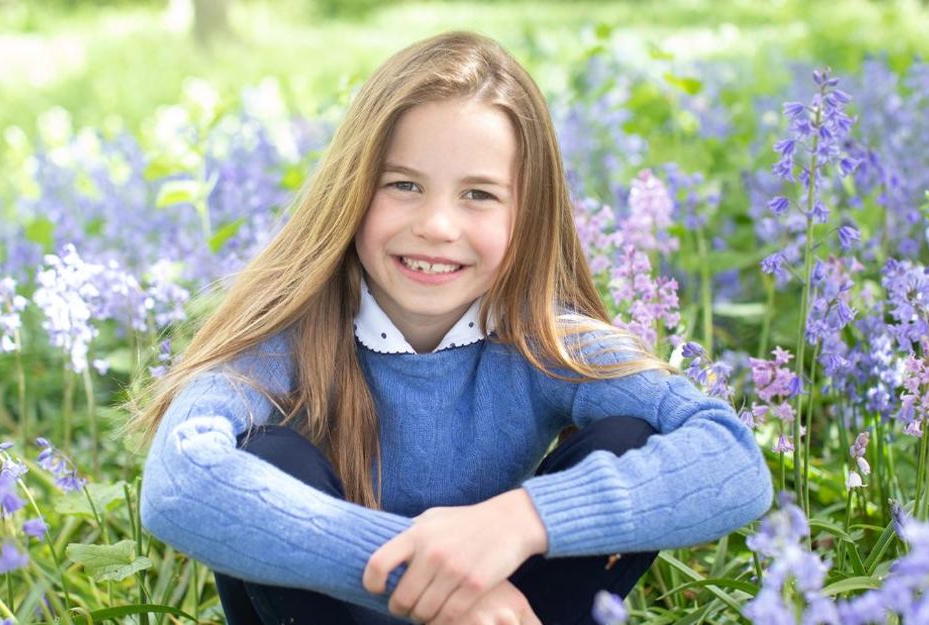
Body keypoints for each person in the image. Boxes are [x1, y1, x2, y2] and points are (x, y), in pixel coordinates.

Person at [126, 30, 774, 625]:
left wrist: (516, 522)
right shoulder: (287, 339)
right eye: (404, 184)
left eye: (478, 194)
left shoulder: (545, 341)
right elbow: (179, 482)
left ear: (527, 214)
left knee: (634, 436)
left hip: (514, 612)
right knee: (271, 457)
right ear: (351, 191)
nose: (437, 224)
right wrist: (424, 575)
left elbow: (734, 459)